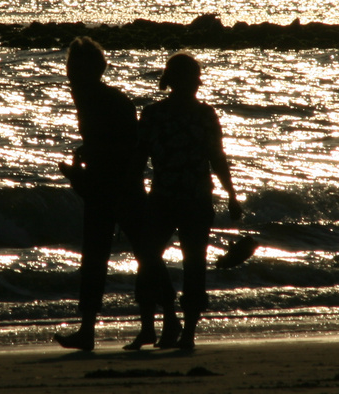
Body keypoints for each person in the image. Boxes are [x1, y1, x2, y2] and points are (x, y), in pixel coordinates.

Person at [55, 37, 178, 352]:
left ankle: (170, 320)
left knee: (143, 255)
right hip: (104, 186)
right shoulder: (90, 96)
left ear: (91, 71)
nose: (69, 74)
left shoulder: (107, 100)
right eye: (70, 67)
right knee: (104, 256)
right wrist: (87, 155)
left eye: (74, 68)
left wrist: (93, 158)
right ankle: (88, 330)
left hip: (121, 187)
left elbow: (129, 147)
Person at [140, 53, 242, 352]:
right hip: (180, 199)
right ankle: (176, 322)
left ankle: (183, 328)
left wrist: (233, 195)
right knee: (174, 261)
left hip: (175, 199)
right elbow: (217, 158)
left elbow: (217, 158)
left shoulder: (161, 114)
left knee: (172, 260)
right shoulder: (165, 114)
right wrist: (232, 195)